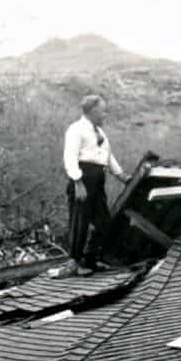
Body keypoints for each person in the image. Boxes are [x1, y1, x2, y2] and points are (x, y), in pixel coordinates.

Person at [63, 95, 131, 272]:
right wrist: (77, 182)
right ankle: (75, 263)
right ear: (93, 111)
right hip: (82, 178)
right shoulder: (76, 129)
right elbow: (69, 157)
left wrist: (121, 175)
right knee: (80, 222)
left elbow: (107, 156)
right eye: (103, 111)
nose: (105, 115)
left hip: (98, 180)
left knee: (103, 223)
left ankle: (90, 260)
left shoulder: (100, 133)